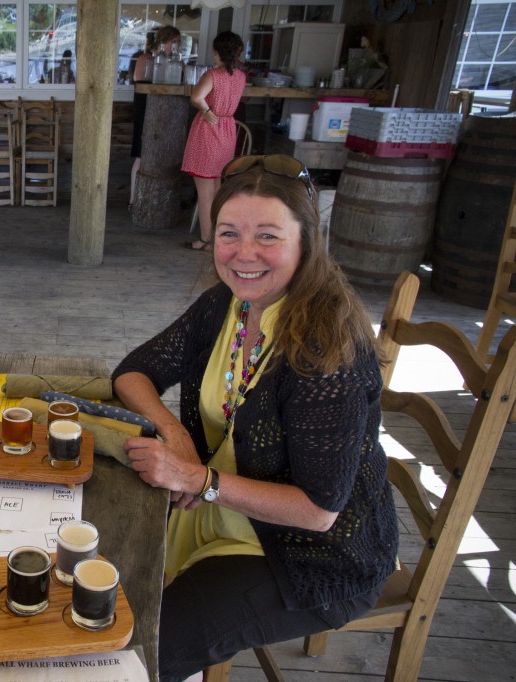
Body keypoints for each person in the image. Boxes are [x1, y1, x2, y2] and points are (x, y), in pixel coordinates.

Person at [112, 155, 399, 681]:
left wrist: (201, 479)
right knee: (102, 569)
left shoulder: (324, 348)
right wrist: (176, 436)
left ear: (306, 243)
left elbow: (319, 512)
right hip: (222, 504)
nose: (244, 254)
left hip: (313, 555)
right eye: (228, 234)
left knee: (144, 646)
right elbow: (133, 372)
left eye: (268, 236)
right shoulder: (227, 305)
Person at [182, 31, 247, 251]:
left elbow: (196, 97)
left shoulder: (213, 75)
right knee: (218, 188)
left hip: (210, 129)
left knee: (205, 191)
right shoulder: (240, 76)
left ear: (217, 51)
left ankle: (206, 240)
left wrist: (207, 110)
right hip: (228, 130)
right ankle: (219, 238)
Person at [129, 26, 180, 209]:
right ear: (164, 41)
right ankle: (133, 200)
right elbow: (139, 81)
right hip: (145, 108)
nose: (176, 47)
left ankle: (153, 202)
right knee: (141, 154)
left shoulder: (171, 61)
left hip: (162, 111)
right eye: (174, 42)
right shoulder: (146, 58)